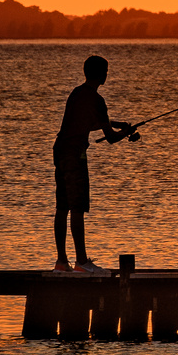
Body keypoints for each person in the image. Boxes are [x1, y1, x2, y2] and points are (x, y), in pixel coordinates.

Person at [52, 55, 135, 271]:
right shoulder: (97, 100)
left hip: (60, 149)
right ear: (100, 74)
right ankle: (81, 262)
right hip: (75, 154)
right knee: (77, 207)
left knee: (62, 207)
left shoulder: (77, 93)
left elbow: (87, 122)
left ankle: (61, 262)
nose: (107, 75)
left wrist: (116, 123)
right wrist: (125, 132)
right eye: (106, 71)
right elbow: (110, 137)